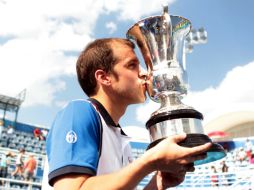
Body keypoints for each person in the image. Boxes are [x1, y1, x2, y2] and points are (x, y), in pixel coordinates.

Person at [45, 38, 211, 190]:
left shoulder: (118, 135)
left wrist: (157, 184)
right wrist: (149, 162)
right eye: (132, 65)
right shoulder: (79, 112)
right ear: (104, 77)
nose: (144, 73)